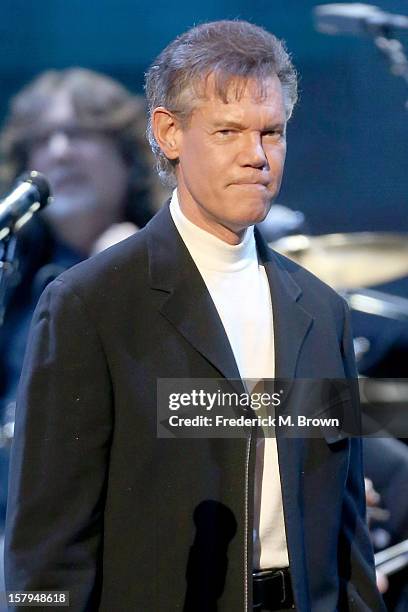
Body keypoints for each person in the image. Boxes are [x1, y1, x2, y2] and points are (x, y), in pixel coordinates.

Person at [5, 21, 385, 611]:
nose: (256, 155)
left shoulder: (321, 310)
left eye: (272, 132)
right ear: (169, 133)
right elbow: (49, 546)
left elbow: (347, 534)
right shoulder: (90, 303)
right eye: (229, 131)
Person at [0, 68, 158, 604]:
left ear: (127, 155)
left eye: (81, 134)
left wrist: (119, 269)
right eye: (41, 140)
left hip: (123, 545)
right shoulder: (17, 275)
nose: (59, 152)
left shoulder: (176, 264)